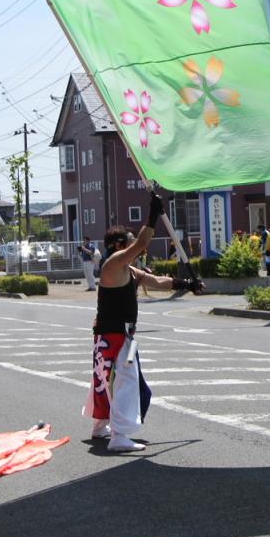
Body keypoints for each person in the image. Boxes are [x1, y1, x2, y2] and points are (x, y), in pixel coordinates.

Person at [82, 193, 203, 452]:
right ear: (118, 245)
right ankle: (119, 436)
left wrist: (186, 284)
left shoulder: (127, 269)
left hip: (120, 336)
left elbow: (156, 281)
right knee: (125, 382)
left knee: (105, 380)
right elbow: (142, 242)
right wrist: (152, 214)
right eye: (129, 241)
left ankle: (100, 426)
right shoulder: (113, 263)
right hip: (115, 335)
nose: (136, 247)